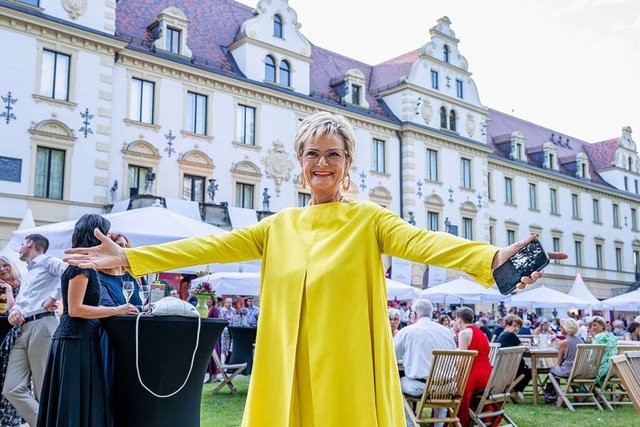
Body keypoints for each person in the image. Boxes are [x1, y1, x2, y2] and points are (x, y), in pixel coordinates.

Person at [63, 111, 564, 426]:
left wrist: (495, 259)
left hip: (345, 373)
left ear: (348, 165)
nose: (321, 162)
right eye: (311, 153)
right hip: (284, 370)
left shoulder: (368, 218)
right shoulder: (277, 225)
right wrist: (131, 258)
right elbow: (207, 246)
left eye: (333, 154)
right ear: (299, 162)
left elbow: (424, 242)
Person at [37, 214, 138, 426]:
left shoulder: (87, 265)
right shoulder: (81, 266)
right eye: (106, 231)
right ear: (97, 234)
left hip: (81, 339)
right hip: (76, 341)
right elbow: (75, 309)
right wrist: (117, 309)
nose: (110, 236)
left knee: (80, 401)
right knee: (76, 400)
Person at [3, 234, 65, 427]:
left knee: (42, 387)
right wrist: (14, 311)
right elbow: (21, 304)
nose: (19, 249)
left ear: (30, 243)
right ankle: (46, 423)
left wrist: (54, 297)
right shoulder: (28, 272)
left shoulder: (47, 261)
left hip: (43, 325)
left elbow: (72, 271)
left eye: (21, 244)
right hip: (24, 328)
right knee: (11, 388)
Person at [394, 299, 455, 426]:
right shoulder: (446, 332)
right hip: (447, 387)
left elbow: (392, 357)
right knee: (439, 385)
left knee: (396, 385)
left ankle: (410, 424)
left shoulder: (407, 331)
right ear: (431, 314)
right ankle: (439, 425)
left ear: (415, 314)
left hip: (420, 386)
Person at [0, 255, 26, 426]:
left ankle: (13, 418)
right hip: (2, 336)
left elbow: (12, 312)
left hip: (17, 337)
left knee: (13, 378)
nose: (2, 269)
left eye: (5, 265)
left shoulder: (23, 285)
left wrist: (8, 290)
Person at [456, 306, 492, 427]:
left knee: (452, 387)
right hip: (488, 376)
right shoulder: (482, 333)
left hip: (472, 376)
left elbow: (462, 360)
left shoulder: (464, 333)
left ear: (459, 320)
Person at [543, 318, 583, 403]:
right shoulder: (581, 340)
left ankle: (556, 394)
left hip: (569, 372)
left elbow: (559, 362)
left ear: (565, 328)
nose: (560, 328)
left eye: (561, 327)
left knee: (552, 369)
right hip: (581, 371)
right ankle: (577, 395)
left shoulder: (564, 343)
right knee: (559, 369)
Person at [496, 314, 531, 402]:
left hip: (501, 368)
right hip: (510, 370)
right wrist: (525, 346)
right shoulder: (510, 335)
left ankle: (512, 391)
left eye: (518, 327)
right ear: (507, 325)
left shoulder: (502, 334)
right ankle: (513, 391)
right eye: (514, 326)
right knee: (529, 372)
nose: (516, 329)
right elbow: (526, 350)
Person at [588, 315, 618, 386]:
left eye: (595, 325)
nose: (592, 328)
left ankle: (581, 396)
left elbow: (591, 359)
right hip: (613, 369)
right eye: (591, 326)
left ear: (602, 326)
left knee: (579, 374)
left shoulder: (598, 337)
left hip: (601, 371)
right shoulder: (612, 336)